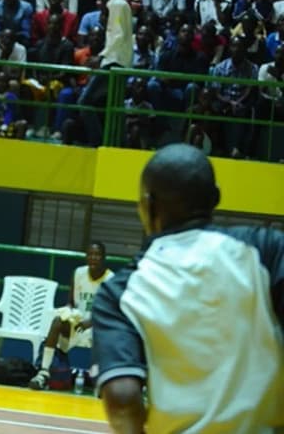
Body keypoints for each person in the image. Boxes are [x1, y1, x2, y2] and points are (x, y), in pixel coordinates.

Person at [92, 144, 283, 433]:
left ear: (147, 205)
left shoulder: (120, 292)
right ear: (215, 197)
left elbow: (122, 400)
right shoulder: (265, 250)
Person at [28, 242, 112, 390]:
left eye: (97, 255)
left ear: (104, 258)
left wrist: (90, 322)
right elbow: (71, 302)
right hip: (77, 325)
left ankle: (98, 378)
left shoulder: (110, 278)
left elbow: (109, 312)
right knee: (57, 321)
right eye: (90, 254)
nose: (93, 258)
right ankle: (43, 372)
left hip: (97, 326)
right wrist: (67, 311)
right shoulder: (78, 273)